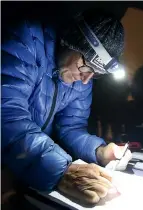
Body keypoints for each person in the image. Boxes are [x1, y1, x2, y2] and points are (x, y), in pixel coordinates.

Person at [1, 9, 132, 205]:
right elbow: (7, 114)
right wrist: (60, 169)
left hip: (27, 160)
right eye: (86, 67)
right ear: (72, 41)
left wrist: (99, 151)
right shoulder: (26, 39)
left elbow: (71, 127)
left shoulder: (81, 80)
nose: (86, 80)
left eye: (95, 74)